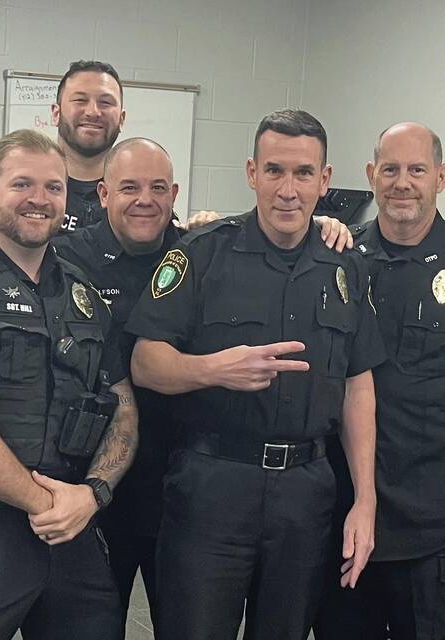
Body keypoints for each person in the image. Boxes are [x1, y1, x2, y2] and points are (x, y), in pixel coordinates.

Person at [127, 108, 386, 640]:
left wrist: (365, 499)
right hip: (212, 484)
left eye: (303, 173)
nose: (288, 190)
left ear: (325, 180)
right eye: (274, 171)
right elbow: (144, 363)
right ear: (252, 173)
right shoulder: (201, 252)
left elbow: (357, 386)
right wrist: (212, 368)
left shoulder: (346, 266)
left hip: (305, 495)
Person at [0, 129, 138, 640]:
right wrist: (43, 503)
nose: (39, 198)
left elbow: (122, 404)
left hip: (71, 521)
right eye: (22, 184)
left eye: (53, 187)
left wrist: (93, 494)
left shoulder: (84, 293)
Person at [314, 122, 445, 640]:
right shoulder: (338, 257)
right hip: (343, 514)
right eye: (390, 169)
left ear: (440, 178)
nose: (402, 182)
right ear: (371, 175)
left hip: (429, 526)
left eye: (417, 170)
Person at [53, 136, 181, 631]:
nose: (144, 199)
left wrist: (330, 225)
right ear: (104, 194)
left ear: (174, 194)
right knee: (92, 626)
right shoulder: (63, 258)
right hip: (89, 484)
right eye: (129, 187)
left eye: (158, 187)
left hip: (177, 485)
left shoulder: (197, 253)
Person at [52, 60, 126, 232]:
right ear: (56, 114)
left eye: (105, 102)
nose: (93, 112)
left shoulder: (136, 198)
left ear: (121, 119)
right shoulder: (26, 190)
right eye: (80, 100)